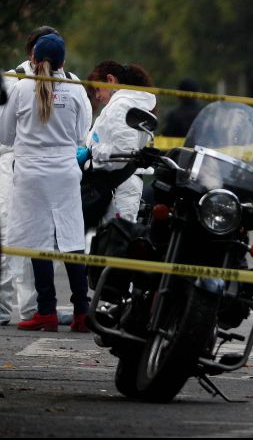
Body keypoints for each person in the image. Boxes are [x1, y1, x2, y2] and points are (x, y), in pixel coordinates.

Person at [0, 33, 92, 332]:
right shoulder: (75, 88)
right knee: (72, 240)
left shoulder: (21, 87)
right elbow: (81, 134)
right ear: (63, 61)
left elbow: (5, 135)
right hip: (65, 172)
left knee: (37, 242)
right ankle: (82, 310)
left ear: (34, 58)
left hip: (30, 173)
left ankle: (46, 311)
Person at [82, 61, 157, 223]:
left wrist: (91, 153)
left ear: (110, 80)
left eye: (97, 88)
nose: (97, 95)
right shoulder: (128, 103)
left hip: (120, 185)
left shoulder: (121, 104)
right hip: (121, 184)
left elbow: (123, 152)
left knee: (114, 242)